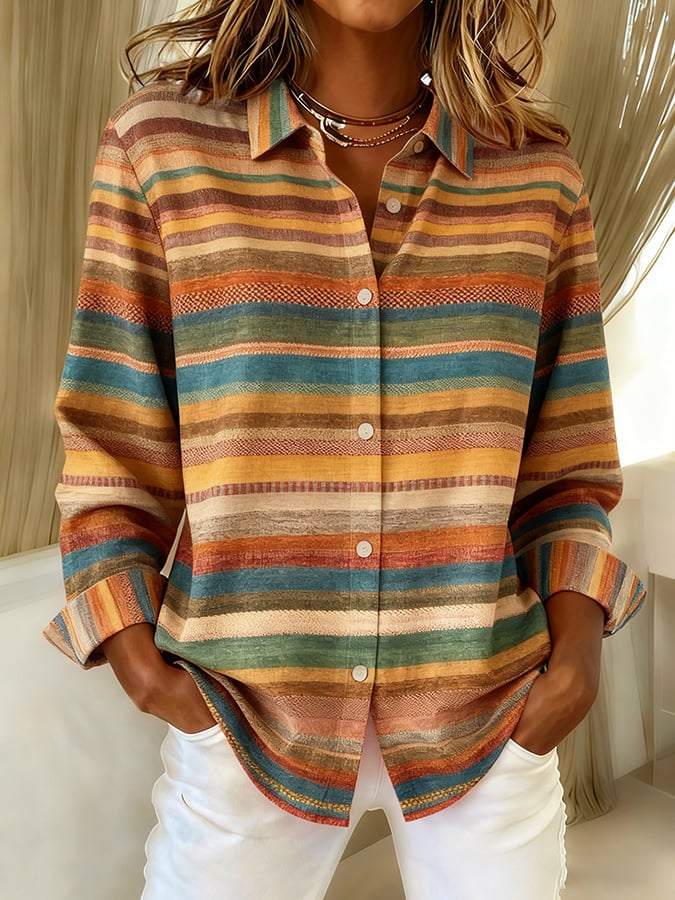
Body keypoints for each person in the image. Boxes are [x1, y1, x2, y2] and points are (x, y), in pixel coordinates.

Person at [44, 1, 646, 898]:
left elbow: (565, 467)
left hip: (487, 716)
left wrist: (574, 669)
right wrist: (142, 666)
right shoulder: (160, 148)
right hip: (244, 717)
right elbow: (113, 443)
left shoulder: (532, 175)